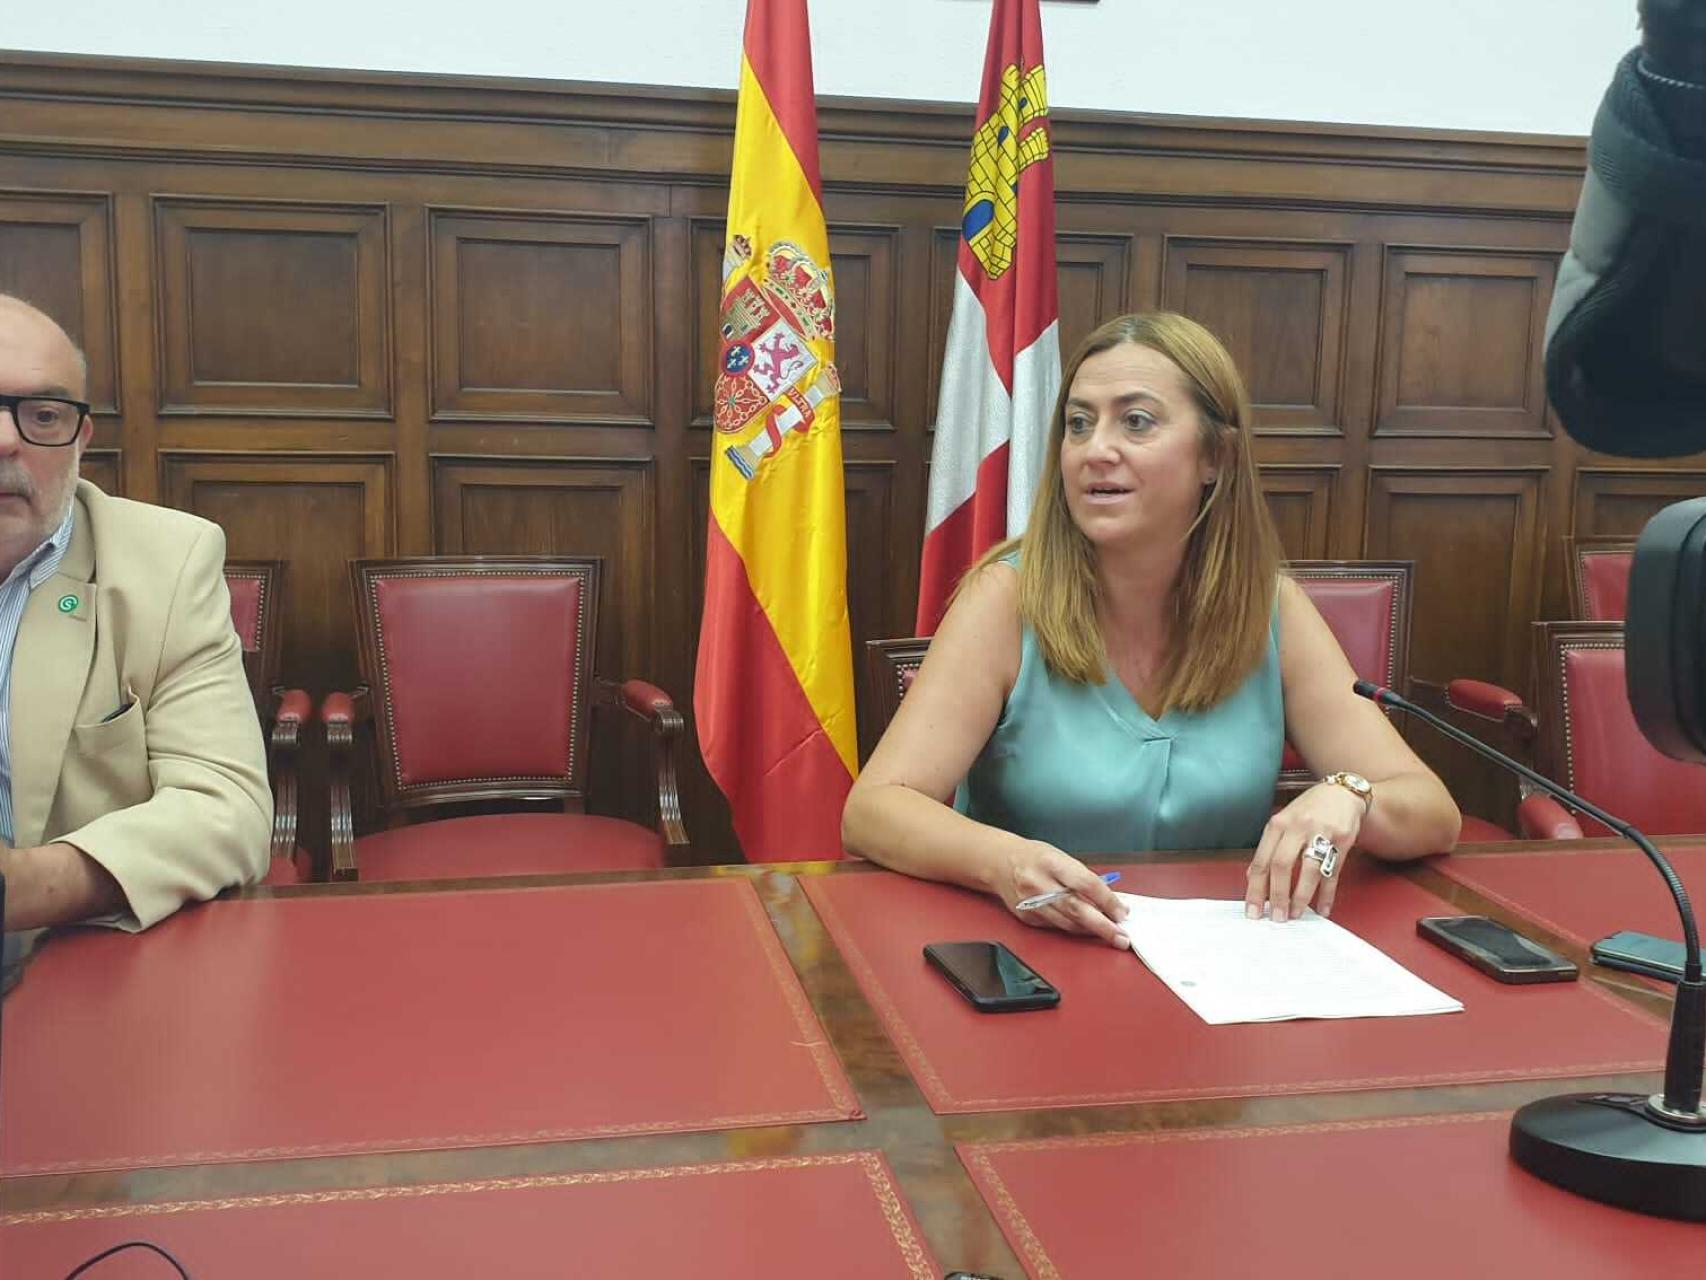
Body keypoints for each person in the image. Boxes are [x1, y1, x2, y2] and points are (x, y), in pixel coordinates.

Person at [843, 312, 1460, 947]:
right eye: (1079, 424)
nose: (1094, 449)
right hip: (1037, 955)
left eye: (1135, 422)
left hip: (1226, 962)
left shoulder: (1270, 608)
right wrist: (1005, 863)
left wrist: (1350, 798)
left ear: (1215, 456)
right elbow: (876, 808)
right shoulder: (1005, 599)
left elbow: (1431, 810)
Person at [0, 295, 269, 932]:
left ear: (79, 440)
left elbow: (227, 809)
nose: (5, 440)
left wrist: (28, 886)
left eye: (42, 414)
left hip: (66, 959)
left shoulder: (169, 562)